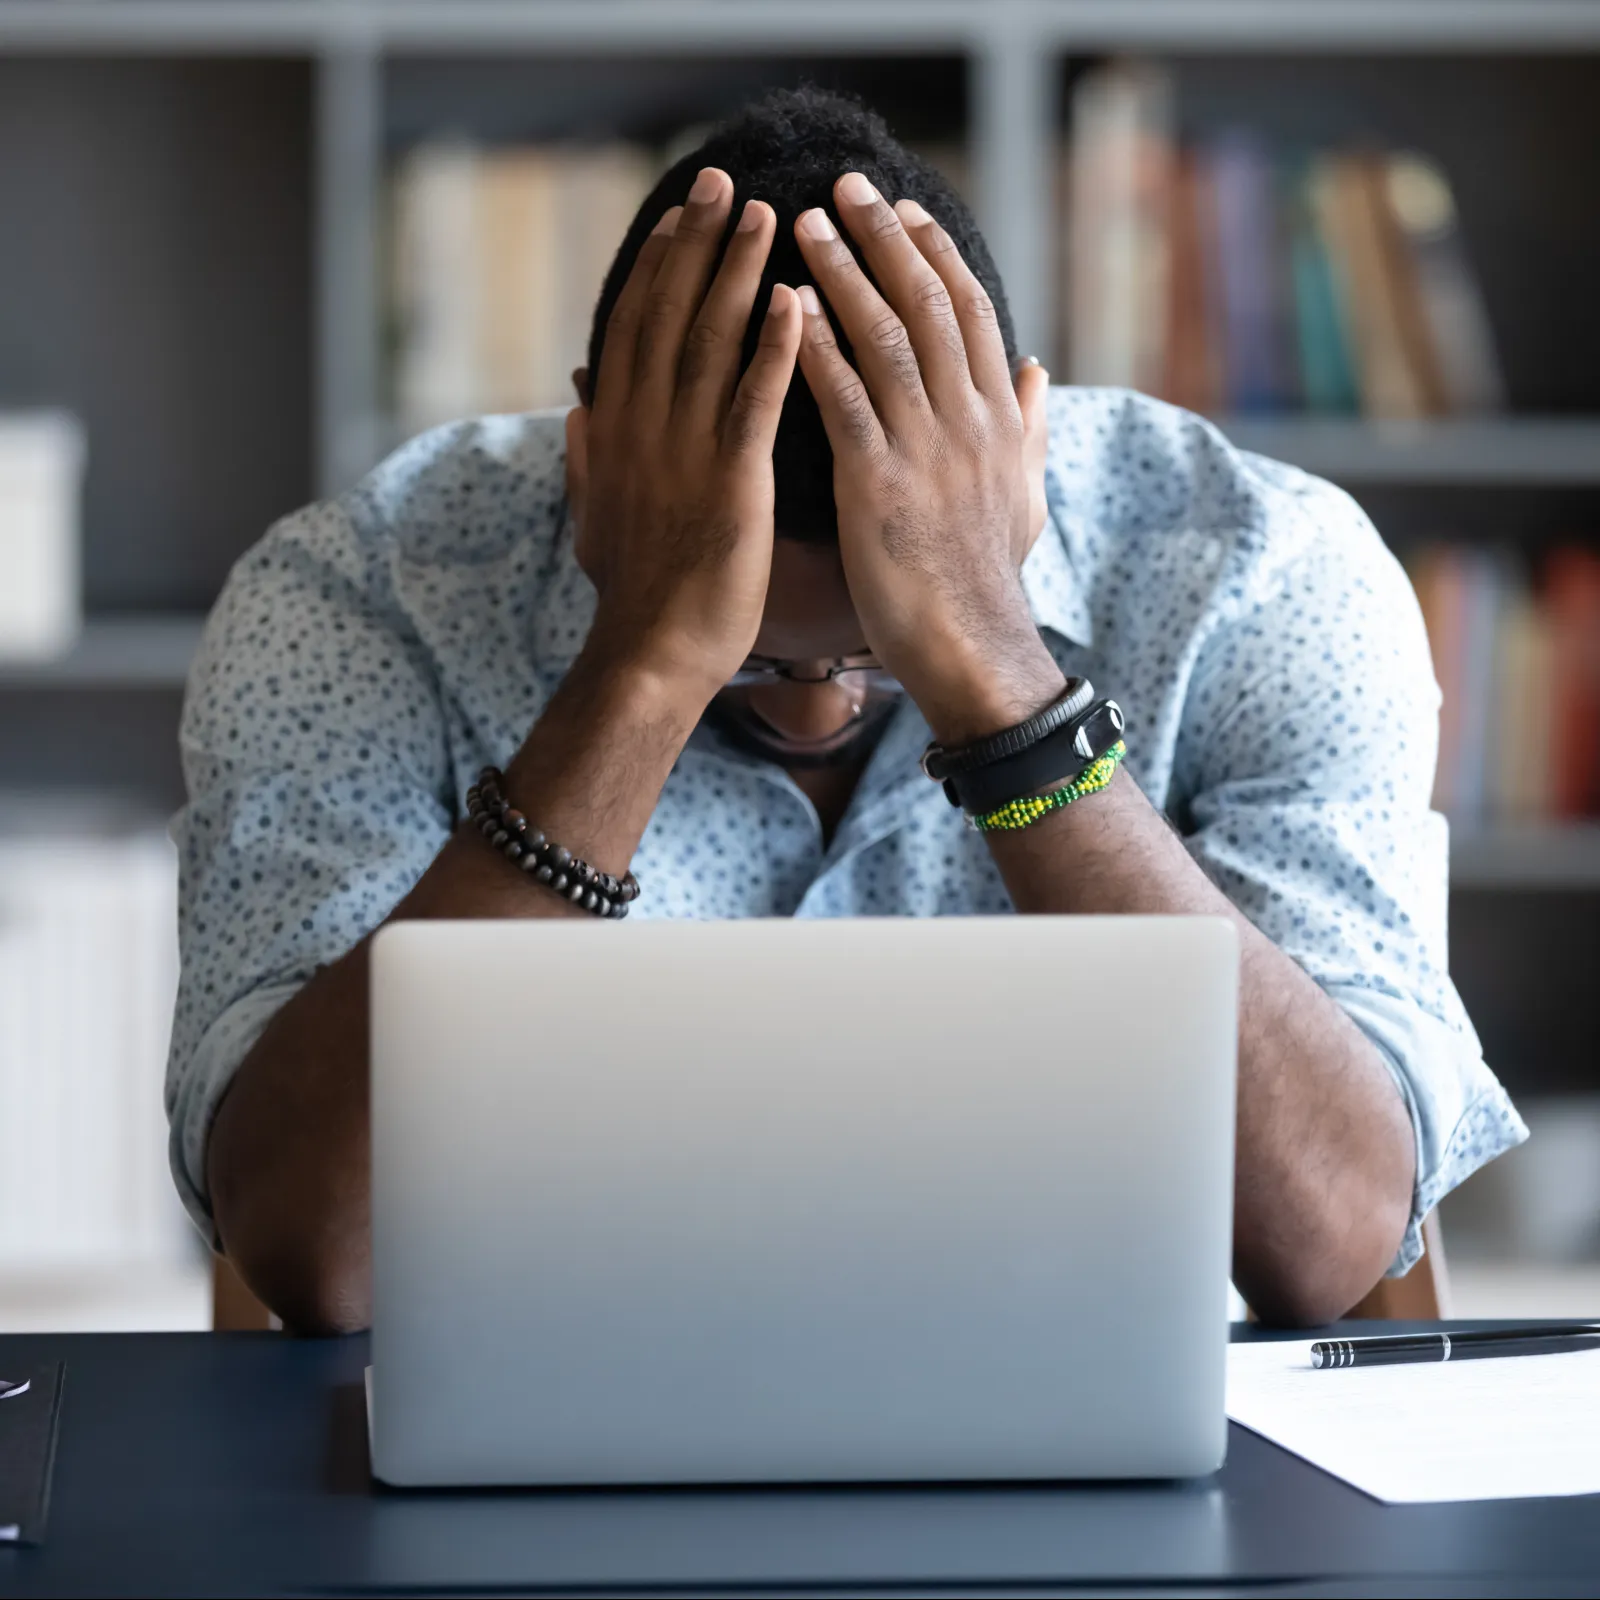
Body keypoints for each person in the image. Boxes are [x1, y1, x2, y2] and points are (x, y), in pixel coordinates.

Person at [168, 88, 1523, 1335]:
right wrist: (641, 670)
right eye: (757, 664)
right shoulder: (361, 597)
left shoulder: (1263, 574)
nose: (819, 714)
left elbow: (1336, 1236)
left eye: (873, 662)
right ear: (591, 474)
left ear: (1022, 456)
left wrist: (993, 671)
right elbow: (313, 1250)